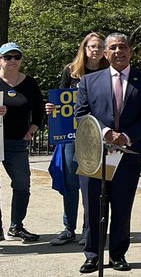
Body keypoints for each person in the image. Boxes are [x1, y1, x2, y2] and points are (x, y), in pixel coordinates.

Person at [76, 33, 141, 273]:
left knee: (122, 206)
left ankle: (118, 254)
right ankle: (92, 255)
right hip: (96, 154)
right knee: (93, 206)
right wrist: (106, 133)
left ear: (130, 51)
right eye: (113, 48)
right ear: (105, 53)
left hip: (128, 154)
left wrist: (126, 137)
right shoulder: (89, 81)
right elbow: (81, 114)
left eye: (123, 47)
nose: (118, 51)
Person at [47, 32, 107, 245]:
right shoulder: (71, 71)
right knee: (71, 182)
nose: (95, 50)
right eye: (92, 46)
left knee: (92, 185)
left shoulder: (109, 72)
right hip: (72, 136)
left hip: (99, 136)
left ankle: (88, 230)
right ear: (84, 48)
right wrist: (52, 108)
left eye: (100, 46)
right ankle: (68, 228)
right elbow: (60, 99)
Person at [0, 42, 44, 242]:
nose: (12, 61)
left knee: (22, 184)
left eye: (16, 57)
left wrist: (33, 129)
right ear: (0, 60)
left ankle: (16, 227)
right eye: (8, 57)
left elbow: (39, 110)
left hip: (17, 142)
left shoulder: (29, 83)